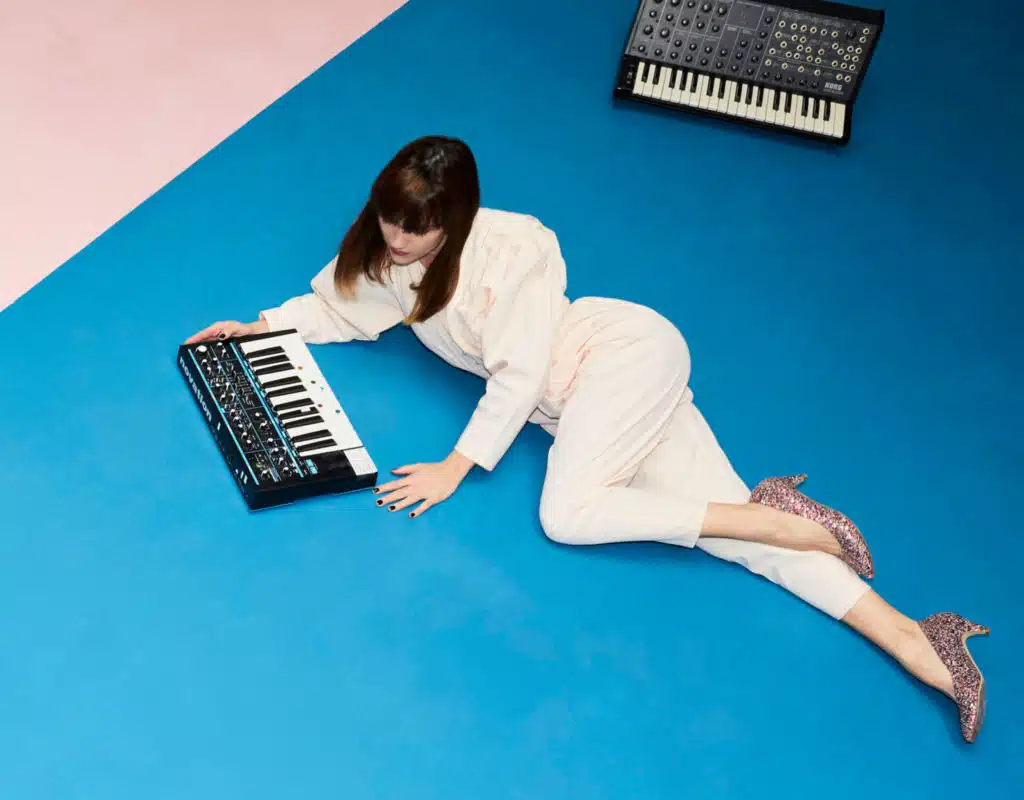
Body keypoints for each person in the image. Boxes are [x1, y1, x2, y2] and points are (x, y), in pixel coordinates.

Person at [185, 135, 989, 743]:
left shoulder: (517, 248)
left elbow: (520, 373)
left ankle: (774, 516)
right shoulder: (389, 247)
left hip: (617, 357)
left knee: (569, 514)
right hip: (588, 406)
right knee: (732, 537)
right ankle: (921, 641)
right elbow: (342, 307)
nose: (398, 240)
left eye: (417, 230)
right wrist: (260, 327)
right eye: (390, 221)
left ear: (453, 219)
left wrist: (456, 467)